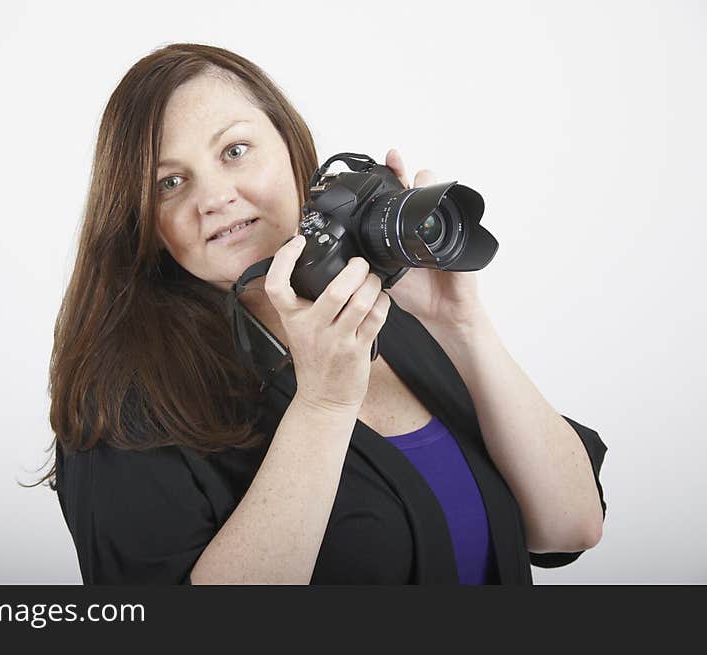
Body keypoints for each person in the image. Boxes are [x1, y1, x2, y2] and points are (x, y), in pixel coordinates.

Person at [38, 43, 609, 585]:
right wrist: (322, 405)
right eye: (170, 182)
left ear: (292, 147)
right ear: (142, 220)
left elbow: (570, 527)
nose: (213, 197)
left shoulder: (390, 317)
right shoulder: (125, 404)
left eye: (234, 151)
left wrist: (461, 326)